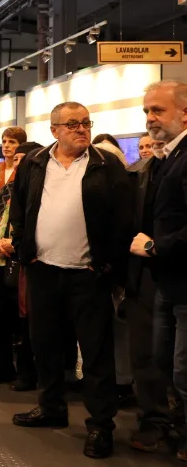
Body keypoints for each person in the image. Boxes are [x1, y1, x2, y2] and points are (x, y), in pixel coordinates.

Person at [9, 101, 133, 459]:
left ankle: (100, 426)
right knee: (45, 345)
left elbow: (121, 220)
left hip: (88, 275)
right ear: (54, 131)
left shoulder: (106, 165)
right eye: (72, 124)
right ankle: (51, 408)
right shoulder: (35, 164)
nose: (81, 129)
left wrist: (107, 265)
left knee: (95, 353)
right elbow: (18, 210)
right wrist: (23, 249)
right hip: (43, 270)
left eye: (85, 123)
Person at [130, 81, 187, 454]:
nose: (150, 119)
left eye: (158, 111)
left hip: (183, 282)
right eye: (147, 111)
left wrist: (154, 246)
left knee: (184, 370)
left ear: (184, 112)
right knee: (167, 366)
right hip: (168, 282)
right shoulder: (166, 158)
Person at [0, 141, 41, 389]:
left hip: (25, 265)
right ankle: (1, 368)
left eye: (22, 159)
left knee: (28, 324)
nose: (16, 164)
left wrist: (15, 243)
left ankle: (27, 374)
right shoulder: (7, 190)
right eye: (15, 159)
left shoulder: (40, 190)